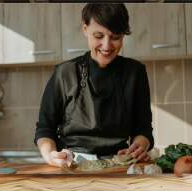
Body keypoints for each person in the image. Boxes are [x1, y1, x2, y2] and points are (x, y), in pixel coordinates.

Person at [34, 3, 154, 168]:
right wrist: (50, 155)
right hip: (72, 164)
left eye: (115, 37)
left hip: (119, 164)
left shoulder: (135, 72)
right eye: (98, 36)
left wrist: (139, 147)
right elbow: (45, 128)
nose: (106, 46)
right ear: (85, 29)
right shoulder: (65, 73)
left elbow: (143, 129)